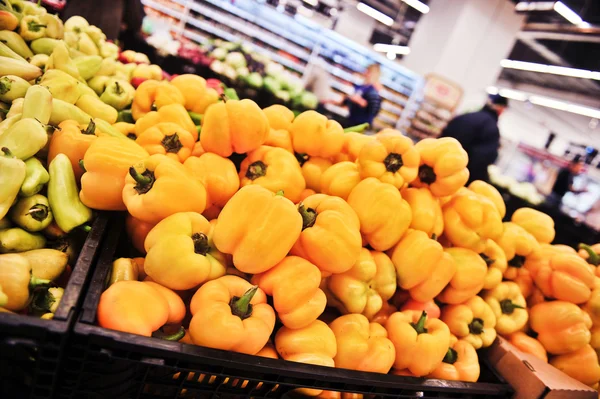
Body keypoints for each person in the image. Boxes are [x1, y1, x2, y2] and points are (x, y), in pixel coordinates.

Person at [440, 94, 508, 183]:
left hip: (438, 164)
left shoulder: (464, 116)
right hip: (457, 176)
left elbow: (442, 138)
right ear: (501, 108)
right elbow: (482, 160)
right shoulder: (491, 127)